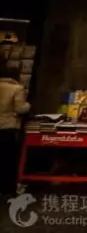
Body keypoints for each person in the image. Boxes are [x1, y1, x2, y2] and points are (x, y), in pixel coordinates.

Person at [0, 60, 30, 195]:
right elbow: (20, 108)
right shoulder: (16, 88)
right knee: (8, 158)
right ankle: (7, 188)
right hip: (7, 126)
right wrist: (28, 105)